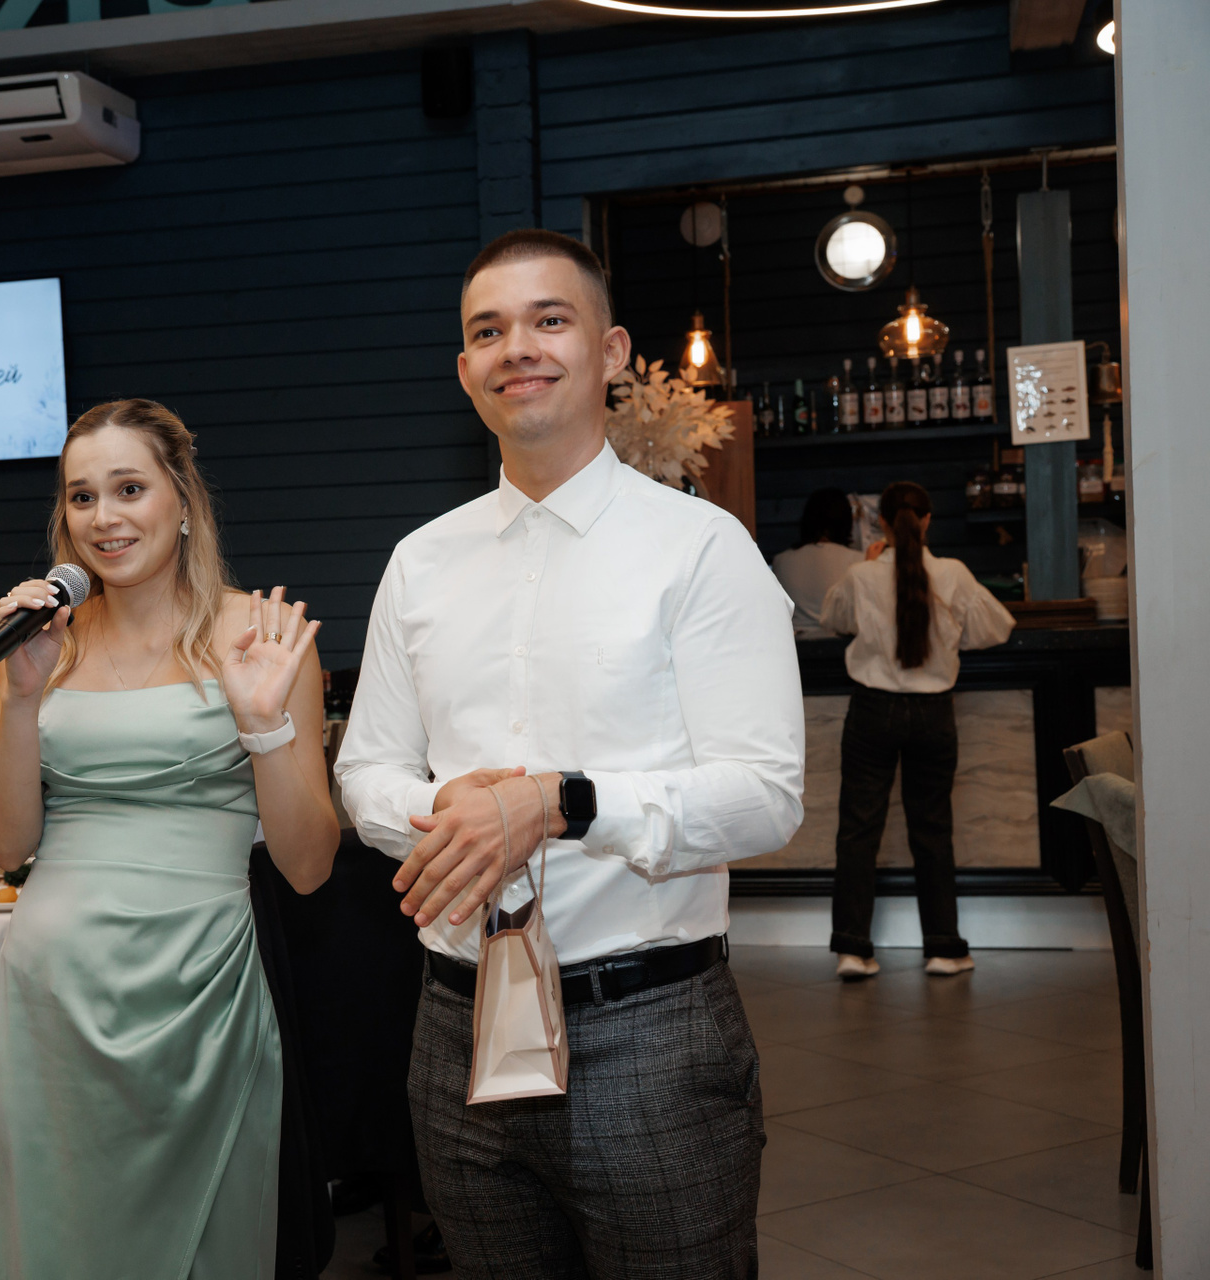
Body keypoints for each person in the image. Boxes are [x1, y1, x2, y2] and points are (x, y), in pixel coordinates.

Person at [335, 228, 806, 1280]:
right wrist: (452, 812)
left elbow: (765, 797)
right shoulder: (420, 562)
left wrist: (561, 802)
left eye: (549, 320)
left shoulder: (700, 547)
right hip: (453, 1027)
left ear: (611, 351)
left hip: (648, 1034)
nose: (518, 348)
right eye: (488, 331)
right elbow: (365, 772)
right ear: (465, 370)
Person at [0, 398, 340, 1279]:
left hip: (202, 989)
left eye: (129, 488)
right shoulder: (44, 646)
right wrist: (19, 698)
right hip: (51, 997)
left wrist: (263, 726)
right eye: (82, 497)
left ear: (182, 500)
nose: (104, 517)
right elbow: (5, 847)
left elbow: (309, 865)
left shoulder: (262, 635)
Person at [819, 480, 1015, 980]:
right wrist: (948, 638)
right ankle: (943, 948)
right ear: (927, 521)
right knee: (932, 831)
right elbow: (997, 627)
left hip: (872, 710)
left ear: (881, 523)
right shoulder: (953, 574)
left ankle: (853, 950)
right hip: (933, 713)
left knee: (858, 831)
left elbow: (832, 618)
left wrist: (869, 565)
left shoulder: (860, 575)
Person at [773, 487, 864, 638]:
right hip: (841, 646)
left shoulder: (781, 561)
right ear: (847, 523)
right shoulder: (859, 561)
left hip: (795, 646)